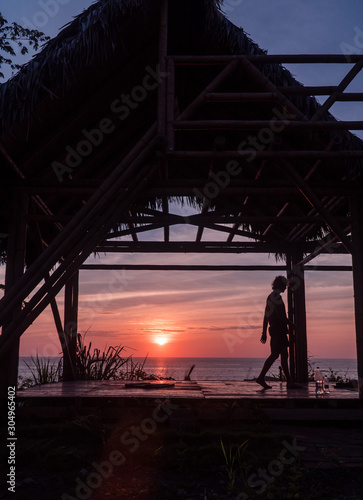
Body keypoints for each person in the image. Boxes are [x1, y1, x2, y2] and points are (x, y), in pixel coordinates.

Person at [256, 276, 300, 390]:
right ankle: (261, 377)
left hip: (275, 329)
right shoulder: (277, 297)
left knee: (283, 355)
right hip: (278, 330)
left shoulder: (270, 297)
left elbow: (266, 317)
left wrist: (264, 332)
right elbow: (281, 316)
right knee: (276, 354)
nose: (286, 288)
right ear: (281, 285)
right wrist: (293, 325)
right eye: (285, 286)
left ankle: (289, 381)